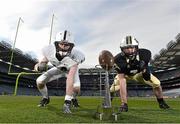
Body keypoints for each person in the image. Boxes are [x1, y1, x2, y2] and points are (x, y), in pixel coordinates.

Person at [110, 35, 170, 112]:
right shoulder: (118, 59)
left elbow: (146, 72)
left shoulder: (144, 53)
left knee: (157, 83)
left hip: (139, 74)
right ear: (122, 49)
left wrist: (144, 68)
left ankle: (161, 102)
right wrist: (124, 103)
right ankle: (110, 101)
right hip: (126, 75)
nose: (130, 50)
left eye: (132, 47)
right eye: (127, 48)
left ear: (136, 47)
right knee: (112, 88)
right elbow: (122, 79)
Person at [34, 30, 85, 113]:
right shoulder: (48, 49)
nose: (63, 47)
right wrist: (38, 67)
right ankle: (45, 98)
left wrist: (67, 101)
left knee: (76, 89)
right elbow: (43, 61)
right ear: (56, 43)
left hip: (70, 71)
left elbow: (70, 77)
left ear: (71, 45)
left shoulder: (77, 55)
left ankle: (73, 99)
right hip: (58, 69)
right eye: (61, 44)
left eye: (66, 45)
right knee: (39, 81)